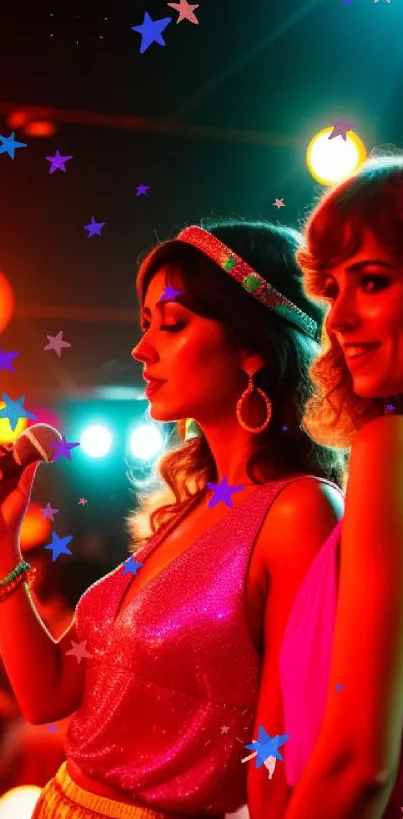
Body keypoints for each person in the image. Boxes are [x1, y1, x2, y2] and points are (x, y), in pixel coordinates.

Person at [0, 219, 346, 819]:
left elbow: (285, 758)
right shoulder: (186, 509)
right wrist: (3, 541)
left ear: (252, 346)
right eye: (145, 324)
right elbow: (46, 692)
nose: (141, 348)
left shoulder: (300, 511)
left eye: (173, 324)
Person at [279, 155, 403, 819]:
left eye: (373, 280)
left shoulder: (389, 445)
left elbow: (358, 764)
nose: (337, 318)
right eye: (332, 289)